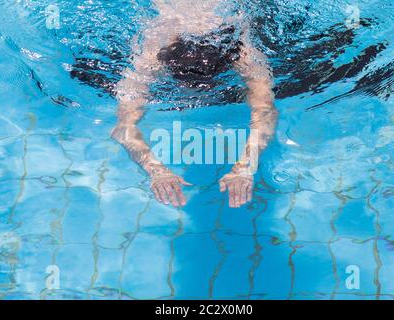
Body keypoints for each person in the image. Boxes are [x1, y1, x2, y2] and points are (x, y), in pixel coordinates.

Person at [111, 0, 278, 208]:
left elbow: (124, 126)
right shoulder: (154, 50)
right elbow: (122, 128)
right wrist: (157, 171)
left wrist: (244, 167)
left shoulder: (243, 52)